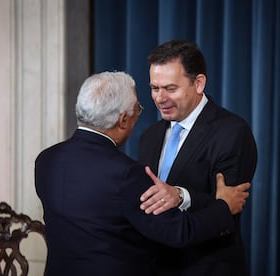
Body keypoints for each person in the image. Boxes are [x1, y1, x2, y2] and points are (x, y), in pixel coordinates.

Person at [35, 71, 251, 275]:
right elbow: (179, 232)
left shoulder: (45, 160)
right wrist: (224, 206)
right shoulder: (126, 175)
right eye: (137, 109)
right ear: (123, 120)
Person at [138, 40, 258, 275]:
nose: (160, 98)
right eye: (154, 88)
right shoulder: (149, 136)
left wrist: (181, 196)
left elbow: (228, 207)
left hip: (206, 267)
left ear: (199, 83)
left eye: (170, 88)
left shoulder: (232, 131)